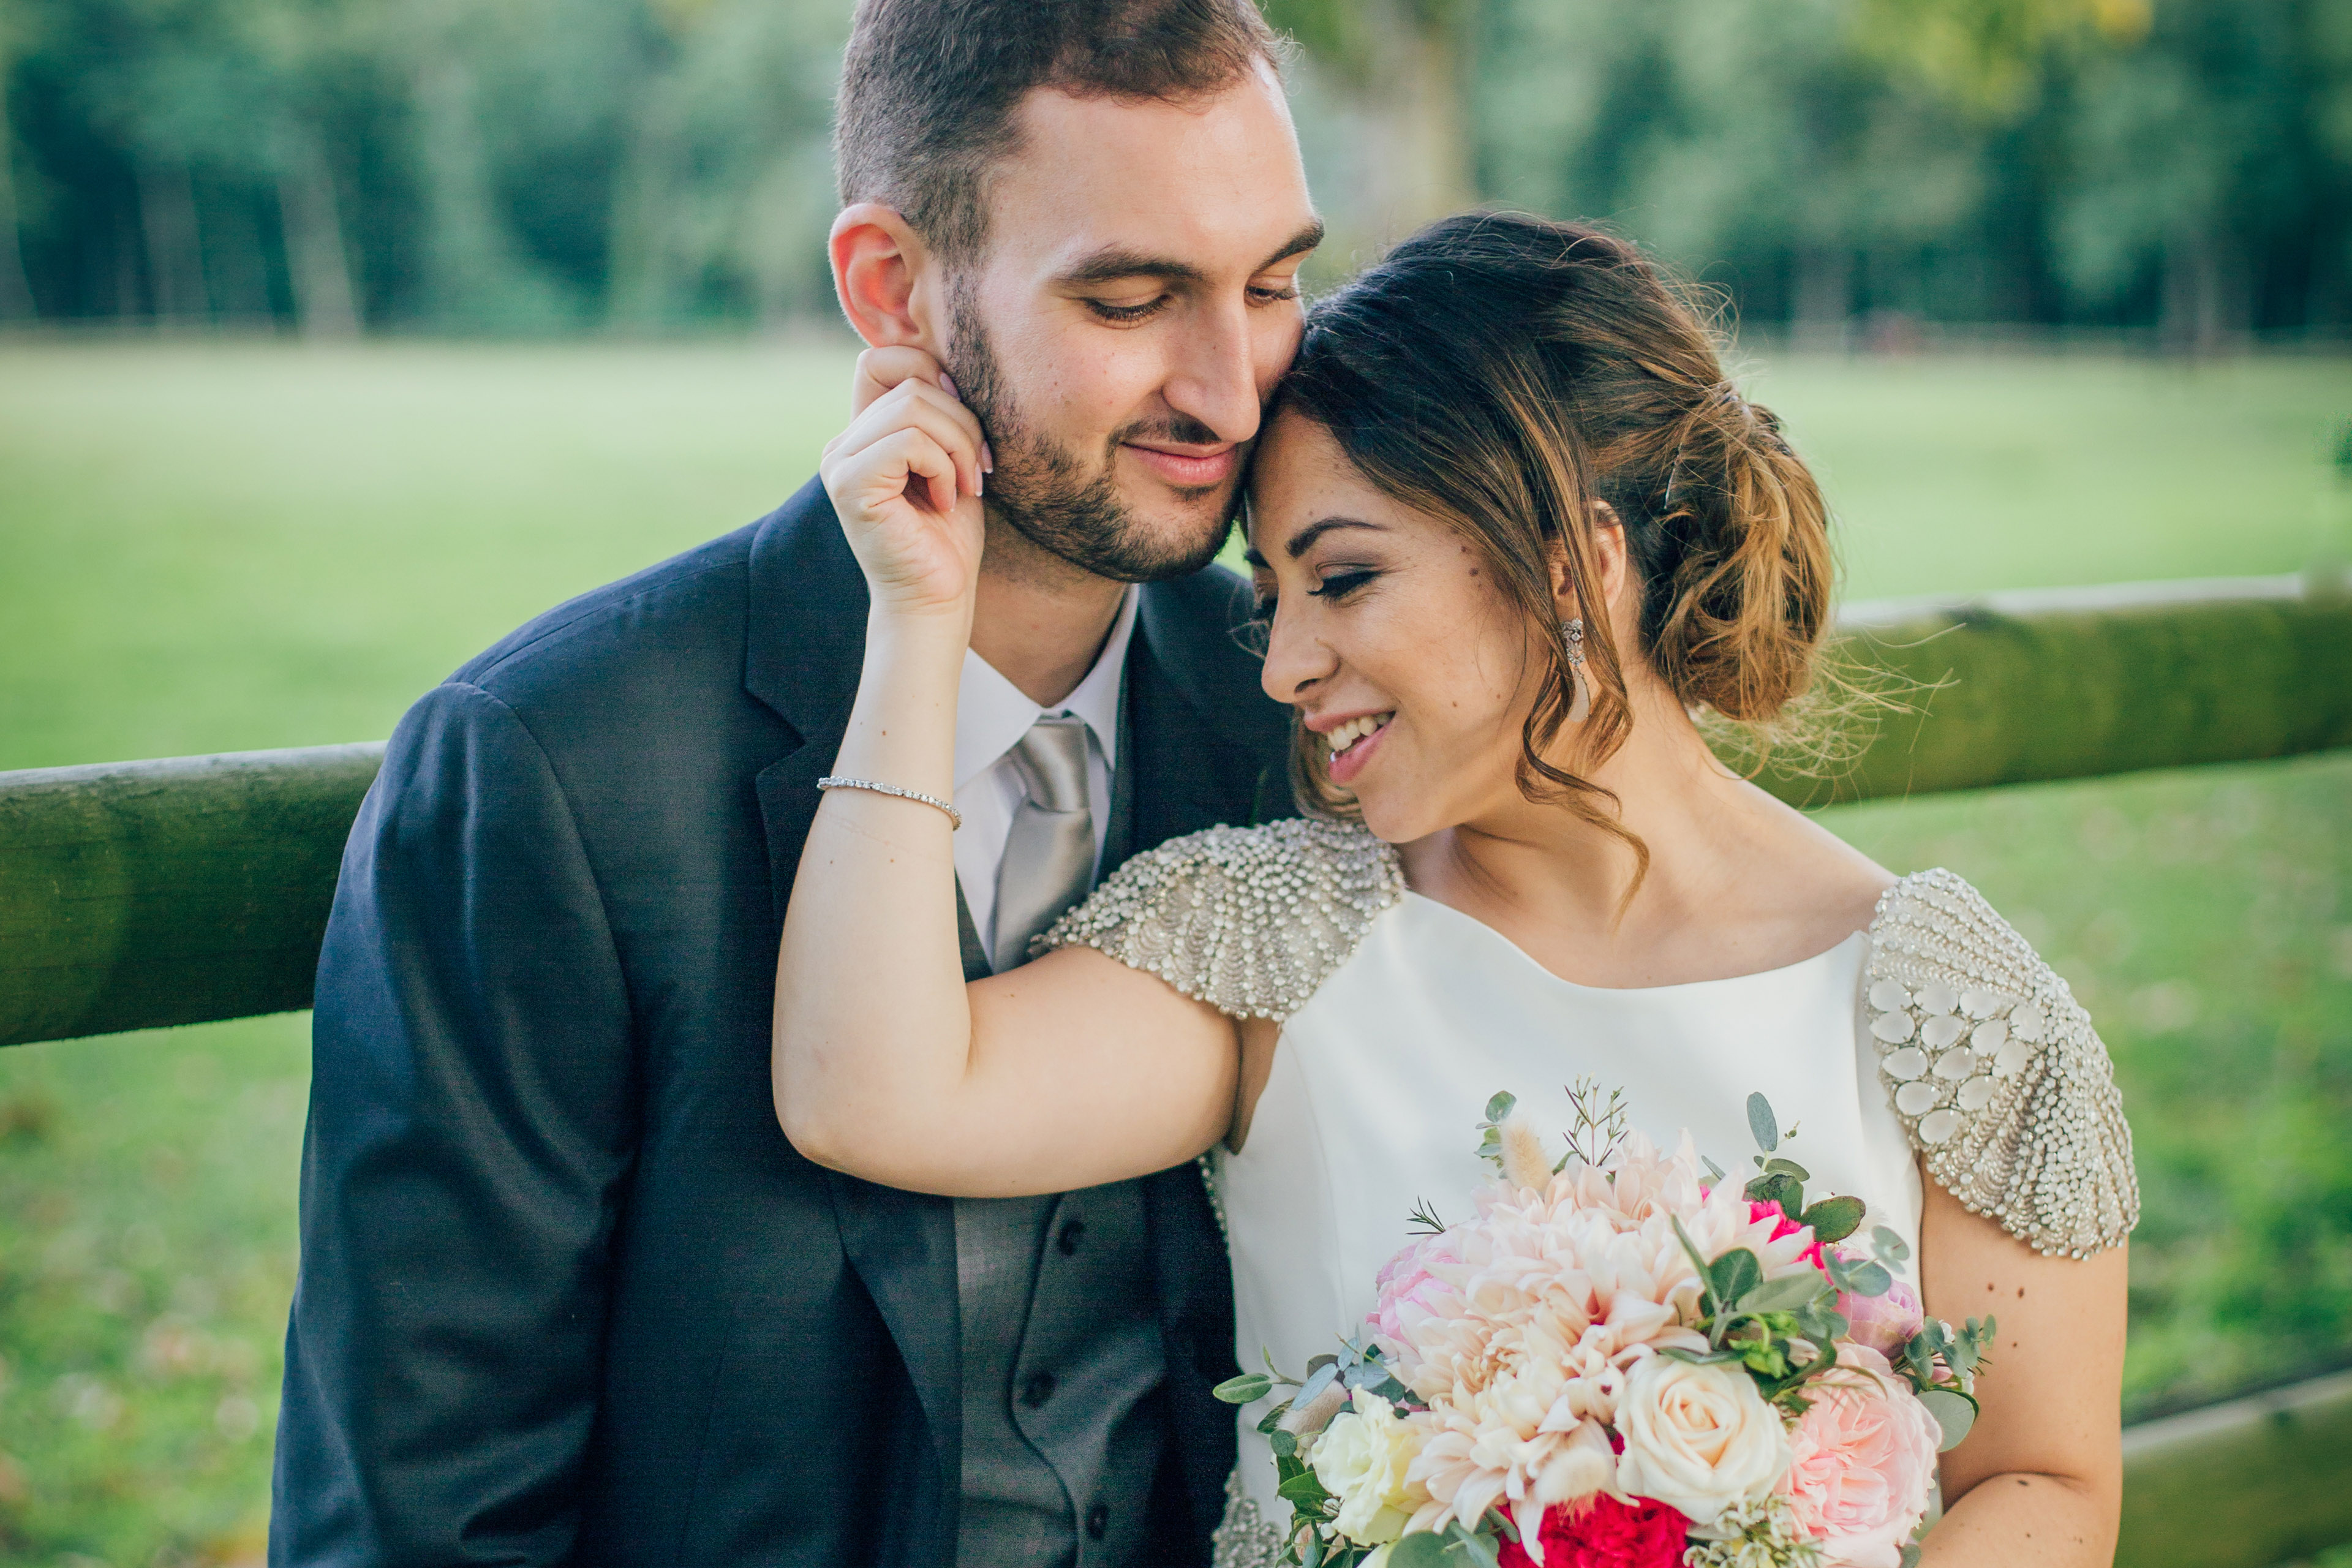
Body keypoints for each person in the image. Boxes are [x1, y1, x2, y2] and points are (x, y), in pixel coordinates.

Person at [774, 211, 2138, 1567]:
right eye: (1273, 600)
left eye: (1345, 579)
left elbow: (2043, 1478)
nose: (1283, 665)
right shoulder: (1280, 943)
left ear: (1574, 566)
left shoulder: (1936, 1004)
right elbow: (872, 1090)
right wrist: (917, 617)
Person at [273, 3, 1322, 1562]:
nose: (1234, 393)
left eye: (1278, 282)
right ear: (892, 290)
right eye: (1129, 297)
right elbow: (419, 1507)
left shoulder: (1303, 715)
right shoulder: (549, 769)